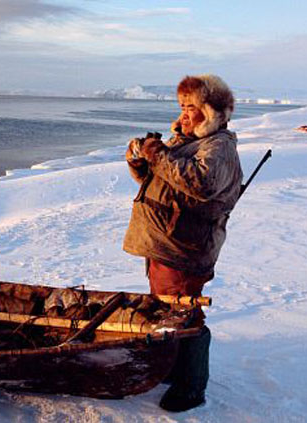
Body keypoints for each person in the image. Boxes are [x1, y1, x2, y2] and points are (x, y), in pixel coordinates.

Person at [123, 74, 243, 412]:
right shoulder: (185, 140)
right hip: (165, 243)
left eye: (192, 106)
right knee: (166, 309)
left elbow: (200, 183)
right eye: (182, 106)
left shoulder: (218, 146)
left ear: (212, 111)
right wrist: (139, 159)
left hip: (185, 248)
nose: (185, 113)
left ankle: (191, 386)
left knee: (185, 312)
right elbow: (155, 178)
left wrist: (158, 154)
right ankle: (174, 367)